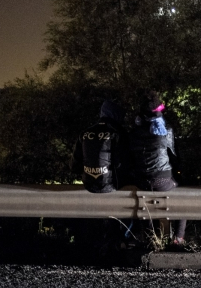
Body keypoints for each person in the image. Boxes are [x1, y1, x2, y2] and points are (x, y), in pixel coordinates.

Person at [129, 91, 185, 245]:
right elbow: (174, 156)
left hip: (141, 180)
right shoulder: (165, 129)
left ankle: (150, 238)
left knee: (146, 202)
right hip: (162, 180)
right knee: (184, 201)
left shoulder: (134, 131)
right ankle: (178, 238)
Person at [71, 99, 129, 193]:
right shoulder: (118, 133)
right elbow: (124, 162)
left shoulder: (85, 133)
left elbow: (75, 166)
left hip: (89, 185)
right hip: (112, 185)